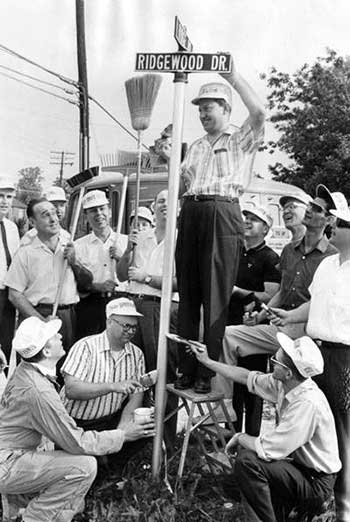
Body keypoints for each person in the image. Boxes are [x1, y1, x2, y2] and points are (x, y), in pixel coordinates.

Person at [0, 316, 154, 522]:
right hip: (8, 463)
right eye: (54, 336)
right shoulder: (38, 391)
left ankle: (24, 508)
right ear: (46, 351)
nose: (60, 336)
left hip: (12, 453)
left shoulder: (25, 371)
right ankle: (34, 518)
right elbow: (77, 443)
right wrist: (123, 435)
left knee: (73, 505)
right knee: (85, 466)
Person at [175, 54, 266, 393]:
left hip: (222, 212)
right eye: (200, 108)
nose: (203, 113)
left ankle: (206, 372)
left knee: (215, 297)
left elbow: (259, 113)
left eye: (210, 107)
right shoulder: (196, 146)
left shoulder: (238, 139)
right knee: (188, 295)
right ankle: (185, 367)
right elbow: (185, 184)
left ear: (226, 110)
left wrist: (233, 77)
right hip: (193, 211)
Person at [188, 333, 341, 522]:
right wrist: (208, 361)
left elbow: (270, 449)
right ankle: (285, 512)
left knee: (247, 462)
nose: (272, 363)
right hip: (300, 470)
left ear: (288, 373)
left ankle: (291, 511)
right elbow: (246, 376)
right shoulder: (285, 384)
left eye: (275, 361)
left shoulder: (307, 403)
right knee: (233, 483)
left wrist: (239, 438)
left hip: (315, 482)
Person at [270, 189, 350, 522]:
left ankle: (344, 508)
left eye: (340, 221)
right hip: (315, 352)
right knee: (303, 423)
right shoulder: (328, 264)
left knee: (343, 436)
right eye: (332, 219)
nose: (332, 225)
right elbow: (313, 303)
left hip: (344, 359)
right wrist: (289, 317)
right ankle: (307, 501)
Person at [217, 184, 339, 390]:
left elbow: (323, 302)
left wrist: (289, 318)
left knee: (293, 391)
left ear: (329, 220)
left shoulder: (333, 256)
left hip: (310, 334)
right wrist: (259, 316)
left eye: (317, 209)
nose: (309, 210)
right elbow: (282, 291)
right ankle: (224, 404)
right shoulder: (289, 250)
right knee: (227, 335)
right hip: (281, 329)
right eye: (309, 205)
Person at [60, 298, 153, 475]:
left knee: (145, 428)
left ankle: (111, 466)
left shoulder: (136, 354)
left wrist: (122, 431)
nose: (131, 331)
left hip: (109, 419)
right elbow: (72, 390)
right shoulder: (86, 346)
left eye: (134, 326)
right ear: (109, 322)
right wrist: (112, 386)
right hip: (76, 422)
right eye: (125, 325)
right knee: (83, 466)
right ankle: (96, 464)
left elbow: (136, 396)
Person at [117, 191, 179, 447]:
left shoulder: (181, 239)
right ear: (153, 207)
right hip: (135, 306)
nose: (165, 205)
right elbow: (122, 275)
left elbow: (182, 282)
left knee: (162, 372)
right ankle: (136, 438)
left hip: (162, 308)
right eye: (160, 200)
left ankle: (166, 440)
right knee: (134, 370)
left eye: (170, 200)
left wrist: (146, 278)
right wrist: (126, 251)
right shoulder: (141, 237)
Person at [5, 198, 91, 351]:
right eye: (45, 215)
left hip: (68, 316)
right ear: (32, 222)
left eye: (54, 213)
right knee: (36, 371)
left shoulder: (71, 246)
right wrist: (41, 322)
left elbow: (87, 283)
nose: (53, 219)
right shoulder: (25, 253)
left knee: (66, 370)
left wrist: (74, 262)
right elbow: (14, 294)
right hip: (37, 316)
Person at [224, 205, 281, 435]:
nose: (247, 221)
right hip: (230, 325)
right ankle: (233, 432)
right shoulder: (235, 252)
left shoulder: (270, 258)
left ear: (266, 229)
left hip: (255, 327)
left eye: (254, 219)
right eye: (246, 217)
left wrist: (237, 291)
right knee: (233, 382)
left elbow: (272, 294)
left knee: (253, 385)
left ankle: (253, 436)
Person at [74, 190, 128, 338]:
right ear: (86, 216)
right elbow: (75, 283)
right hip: (90, 305)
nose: (98, 214)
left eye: (102, 208)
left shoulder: (125, 242)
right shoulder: (78, 246)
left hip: (120, 302)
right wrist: (96, 286)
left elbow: (133, 275)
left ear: (109, 211)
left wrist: (121, 257)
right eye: (92, 211)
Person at [0, 175, 19, 362]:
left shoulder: (12, 228)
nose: (4, 201)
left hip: (7, 297)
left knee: (5, 346)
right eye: (0, 196)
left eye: (8, 196)